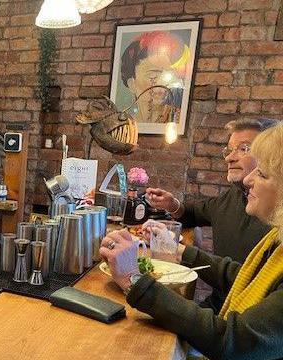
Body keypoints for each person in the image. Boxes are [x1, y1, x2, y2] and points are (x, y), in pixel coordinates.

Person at [100, 123, 283, 359]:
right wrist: (179, 252)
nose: (248, 180)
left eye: (262, 173)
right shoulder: (275, 238)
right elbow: (242, 276)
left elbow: (232, 341)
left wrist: (132, 279)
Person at [146, 118, 277, 263]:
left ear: (272, 157)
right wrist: (171, 204)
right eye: (229, 150)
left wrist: (181, 251)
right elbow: (194, 213)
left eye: (243, 149)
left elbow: (245, 278)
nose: (229, 158)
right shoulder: (233, 195)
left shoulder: (276, 216)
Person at [120, 31, 188, 123]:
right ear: (132, 84)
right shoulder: (124, 127)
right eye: (153, 75)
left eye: (167, 74)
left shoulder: (179, 118)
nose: (163, 83)